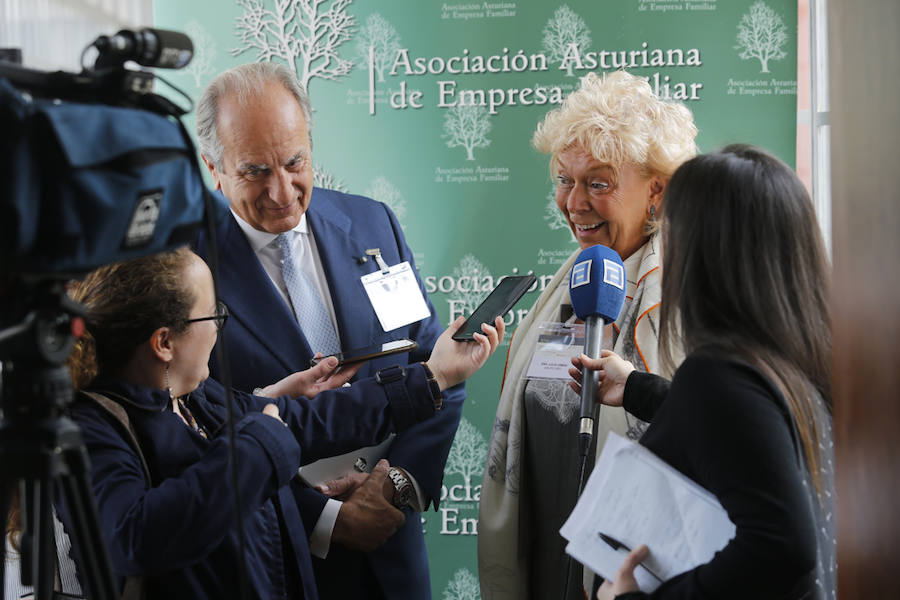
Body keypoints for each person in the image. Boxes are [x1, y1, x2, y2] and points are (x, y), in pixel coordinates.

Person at [59, 247, 502, 599]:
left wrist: (433, 375)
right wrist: (256, 444)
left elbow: (308, 421)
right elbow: (136, 538)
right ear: (163, 343)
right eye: (212, 316)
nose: (218, 329)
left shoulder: (195, 396)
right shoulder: (90, 430)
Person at [192, 61, 467, 599]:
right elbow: (193, 427)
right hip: (274, 555)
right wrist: (324, 518)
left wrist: (392, 486)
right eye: (254, 171)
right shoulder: (186, 270)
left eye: (295, 161)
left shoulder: (372, 224)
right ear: (213, 167)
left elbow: (436, 366)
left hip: (393, 547)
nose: (282, 191)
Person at [572, 144, 836, 599]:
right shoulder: (800, 362)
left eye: (672, 231)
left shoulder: (719, 376)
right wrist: (636, 387)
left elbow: (782, 545)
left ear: (707, 254)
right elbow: (747, 428)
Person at [478, 70, 698, 599]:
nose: (574, 202)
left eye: (597, 183)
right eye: (564, 179)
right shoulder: (574, 277)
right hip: (547, 550)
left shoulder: (689, 297)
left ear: (656, 190)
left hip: (632, 573)